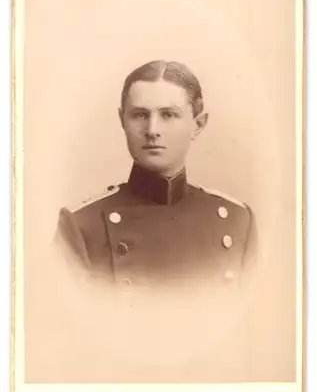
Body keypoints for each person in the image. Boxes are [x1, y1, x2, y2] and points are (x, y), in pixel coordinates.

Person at [57, 60, 255, 294]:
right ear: (123, 120)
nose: (152, 130)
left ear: (198, 124)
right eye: (140, 115)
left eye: (169, 115)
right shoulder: (80, 226)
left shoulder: (238, 220)